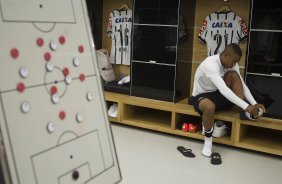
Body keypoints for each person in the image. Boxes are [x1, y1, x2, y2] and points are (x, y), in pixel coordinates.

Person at [189, 43, 266, 157]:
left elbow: (242, 85)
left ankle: (245, 113)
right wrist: (248, 106)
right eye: (233, 61)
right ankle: (208, 142)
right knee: (209, 107)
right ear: (225, 55)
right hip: (202, 96)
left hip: (218, 94)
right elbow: (224, 90)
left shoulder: (232, 64)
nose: (234, 64)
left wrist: (254, 104)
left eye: (236, 62)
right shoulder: (210, 64)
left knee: (234, 75)